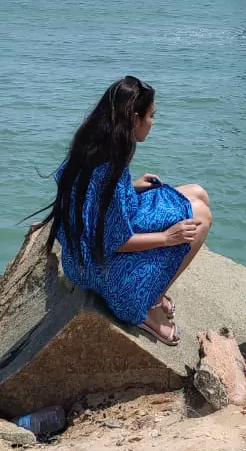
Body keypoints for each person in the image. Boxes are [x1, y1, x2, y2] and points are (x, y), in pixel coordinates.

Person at [41, 76, 212, 345]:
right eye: (151, 116)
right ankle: (147, 303)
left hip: (79, 260)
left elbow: (91, 199)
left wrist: (130, 188)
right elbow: (115, 242)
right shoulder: (111, 163)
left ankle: (153, 292)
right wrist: (169, 237)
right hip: (96, 267)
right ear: (135, 118)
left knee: (196, 192)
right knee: (200, 218)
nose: (153, 123)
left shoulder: (91, 144)